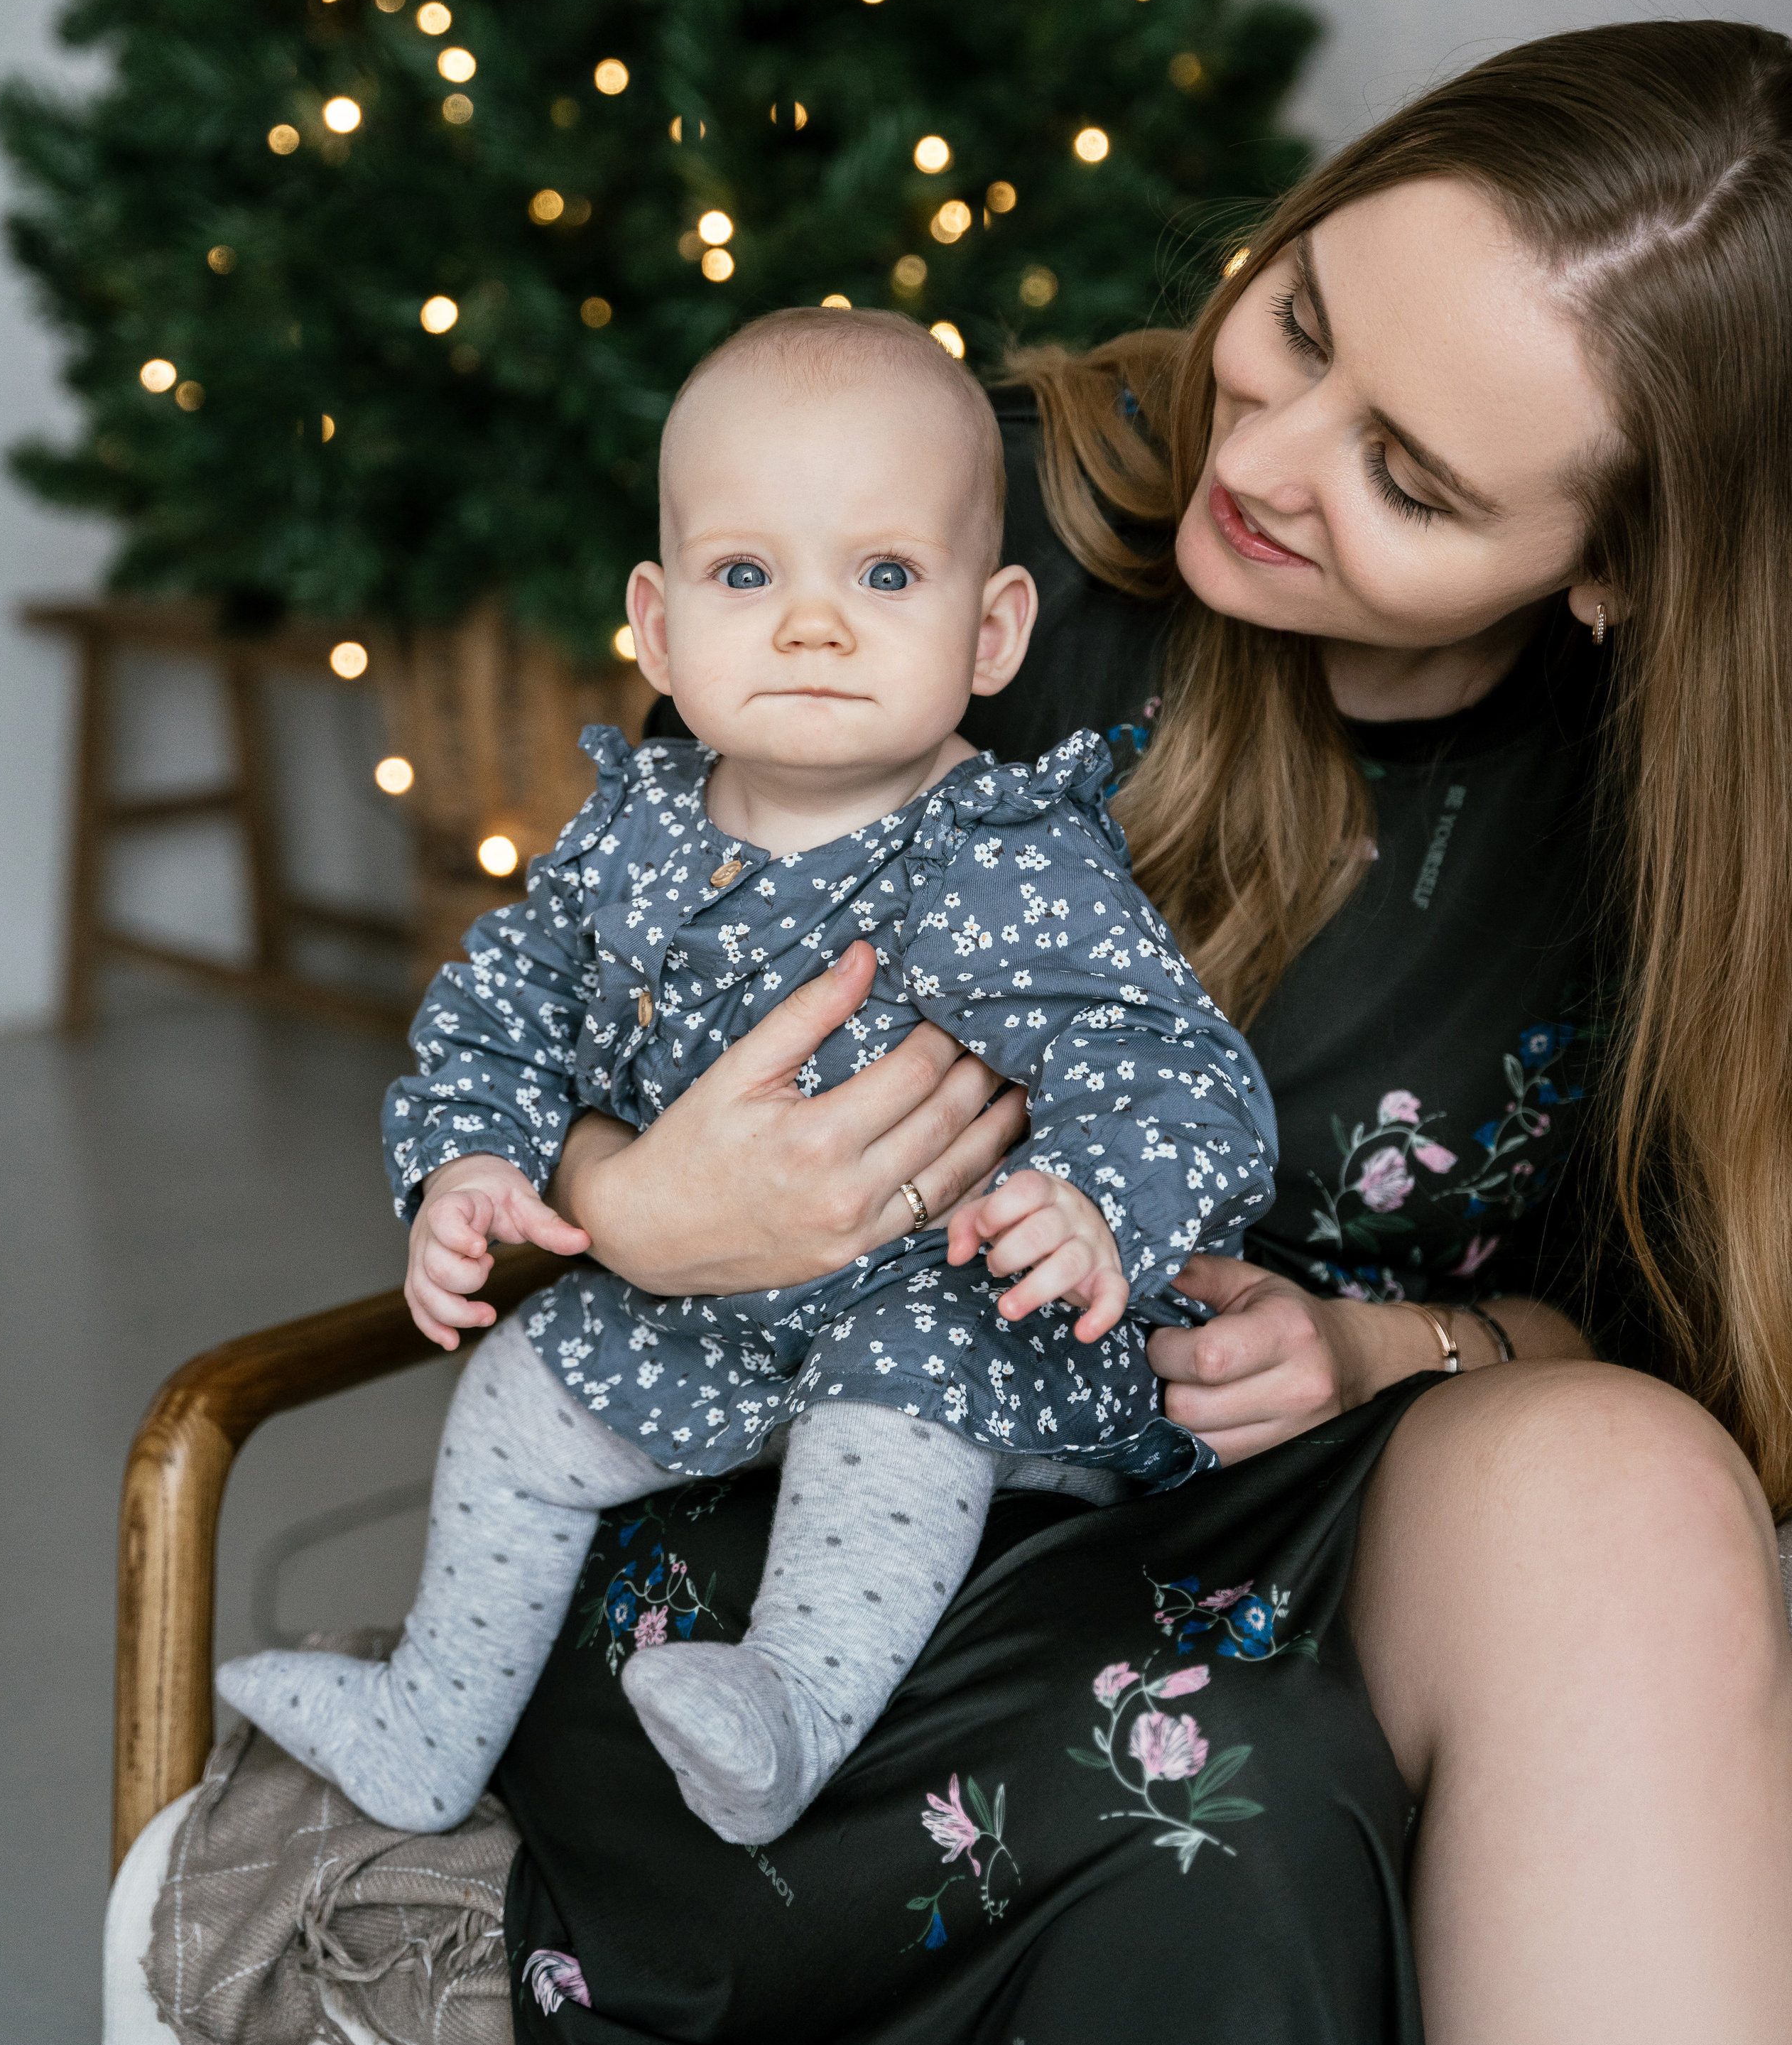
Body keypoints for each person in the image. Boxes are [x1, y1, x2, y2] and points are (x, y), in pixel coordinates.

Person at [498, 22, 1792, 2045]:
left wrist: (1391, 1342)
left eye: (1416, 479)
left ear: (1619, 569)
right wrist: (635, 1201)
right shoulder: (954, 502)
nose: (1268, 457)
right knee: (1233, 1802)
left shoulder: (1675, 804)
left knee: (1628, 1486)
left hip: (1266, 1508)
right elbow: (552, 990)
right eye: (1297, 322)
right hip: (813, 1497)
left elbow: (1691, 1362)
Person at [216, 308, 1275, 1849]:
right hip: (708, 1306)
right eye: (744, 574)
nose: (811, 624)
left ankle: (785, 1701)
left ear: (991, 633)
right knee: (517, 1391)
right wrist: (466, 1167)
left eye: (884, 574)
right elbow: (498, 1009)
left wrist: (1090, 1202)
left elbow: (1172, 1064)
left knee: (896, 1395)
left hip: (957, 1316)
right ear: (654, 626)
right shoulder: (628, 833)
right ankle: (425, 1724)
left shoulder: (1002, 857)